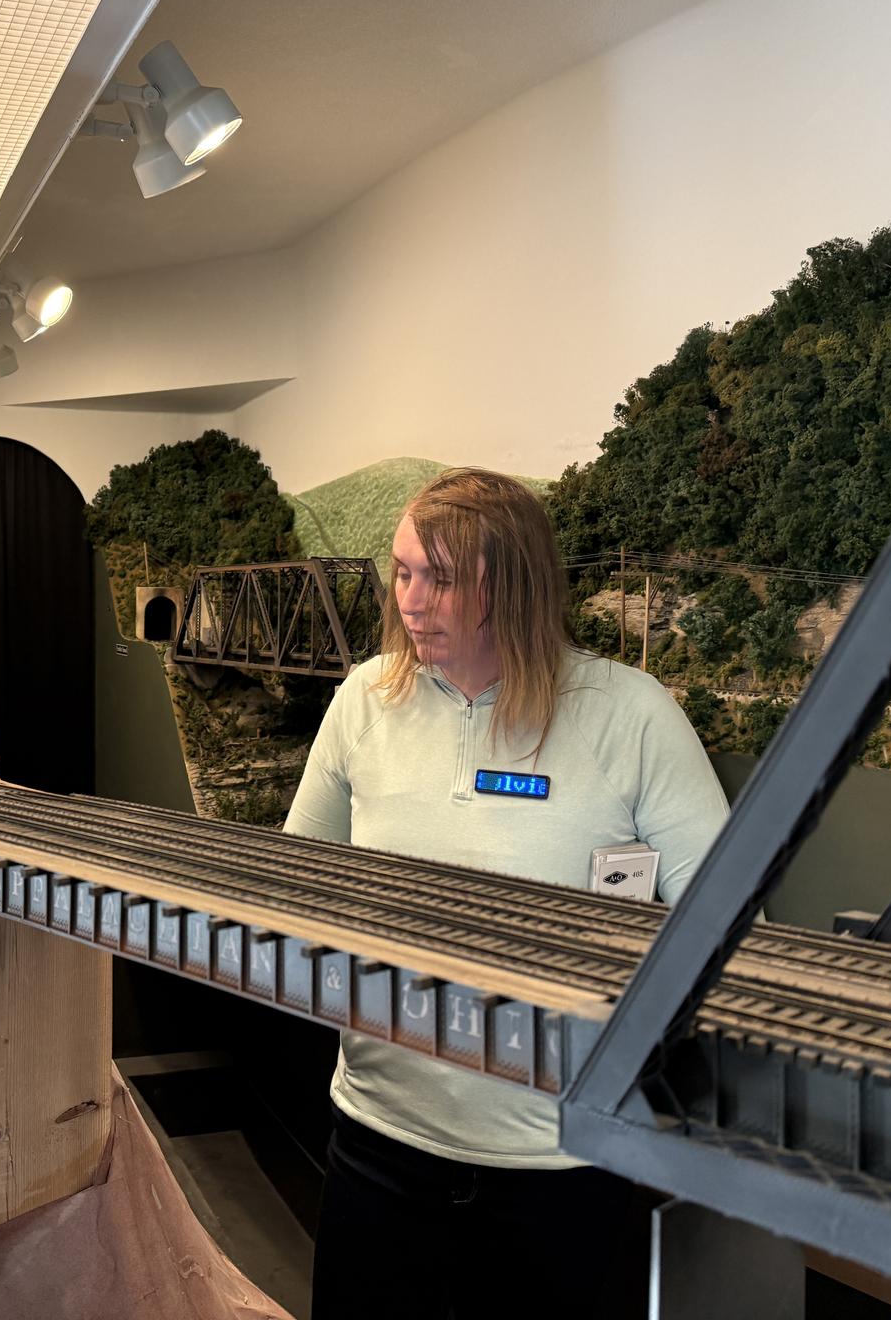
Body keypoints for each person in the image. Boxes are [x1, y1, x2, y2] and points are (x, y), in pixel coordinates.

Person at [285, 468, 729, 1318]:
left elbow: (725, 928)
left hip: (567, 1170)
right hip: (381, 1142)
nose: (410, 601)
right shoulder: (363, 701)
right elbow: (298, 883)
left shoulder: (632, 716)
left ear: (514, 584)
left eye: (441, 578)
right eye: (402, 571)